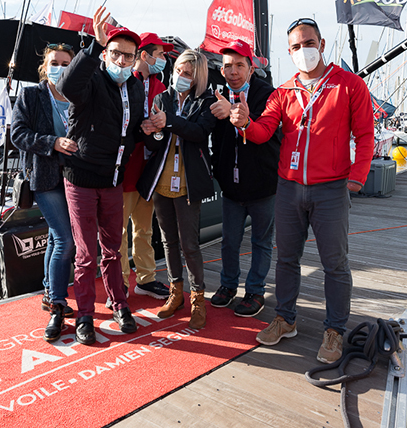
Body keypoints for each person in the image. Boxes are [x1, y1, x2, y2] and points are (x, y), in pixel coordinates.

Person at [229, 18, 374, 363]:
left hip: (331, 189)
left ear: (321, 45)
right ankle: (285, 319)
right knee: (287, 258)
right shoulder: (284, 91)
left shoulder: (350, 85)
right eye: (295, 47)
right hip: (290, 187)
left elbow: (365, 136)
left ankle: (335, 330)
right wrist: (245, 123)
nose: (302, 51)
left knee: (334, 263)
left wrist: (356, 178)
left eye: (308, 43)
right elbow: (264, 131)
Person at [56, 7, 146, 345]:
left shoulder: (135, 89)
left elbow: (131, 131)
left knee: (113, 249)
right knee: (85, 255)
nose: (122, 61)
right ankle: (84, 316)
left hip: (113, 180)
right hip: (80, 177)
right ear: (106, 53)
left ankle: (119, 304)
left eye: (128, 56)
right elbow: (67, 85)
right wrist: (93, 46)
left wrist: (148, 131)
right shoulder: (91, 78)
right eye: (116, 53)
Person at [137, 49, 215, 330]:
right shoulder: (162, 98)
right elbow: (154, 145)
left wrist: (168, 121)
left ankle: (198, 299)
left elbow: (198, 133)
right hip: (161, 179)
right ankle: (175, 293)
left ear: (197, 78)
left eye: (187, 73)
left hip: (187, 182)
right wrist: (152, 130)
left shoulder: (206, 100)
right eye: (179, 70)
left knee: (189, 244)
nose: (180, 76)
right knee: (168, 241)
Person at [10, 43, 78, 342]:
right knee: (66, 239)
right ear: (44, 65)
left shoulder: (80, 94)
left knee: (55, 236)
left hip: (76, 177)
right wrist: (52, 142)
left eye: (66, 63)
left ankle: (50, 291)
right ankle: (58, 304)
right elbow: (18, 134)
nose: (59, 67)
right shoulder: (31, 95)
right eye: (54, 62)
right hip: (45, 177)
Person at [208, 40, 280, 317]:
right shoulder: (215, 95)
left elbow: (268, 133)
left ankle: (255, 290)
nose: (233, 71)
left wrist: (238, 119)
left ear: (251, 69)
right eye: (228, 66)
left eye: (239, 65)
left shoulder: (268, 95)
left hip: (263, 184)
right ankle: (228, 286)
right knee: (229, 240)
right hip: (231, 186)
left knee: (261, 241)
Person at [114, 33, 172, 304]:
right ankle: (121, 282)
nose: (164, 59)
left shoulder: (161, 87)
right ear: (145, 55)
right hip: (125, 168)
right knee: (119, 231)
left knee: (144, 229)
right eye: (160, 54)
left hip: (150, 170)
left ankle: (146, 279)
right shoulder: (123, 81)